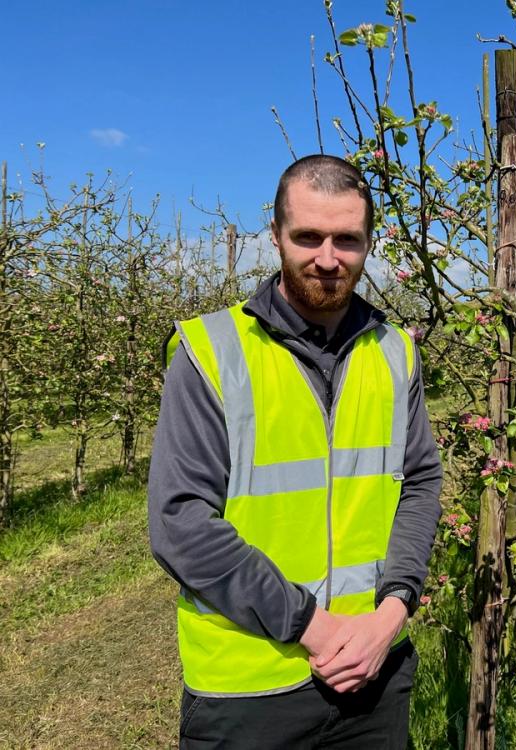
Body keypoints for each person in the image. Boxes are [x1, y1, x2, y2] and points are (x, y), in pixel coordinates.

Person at [148, 154, 442, 749]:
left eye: (348, 240)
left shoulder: (396, 352)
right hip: (250, 688)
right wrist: (312, 625)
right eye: (308, 236)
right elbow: (180, 521)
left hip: (374, 676)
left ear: (368, 243)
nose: (328, 258)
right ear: (276, 234)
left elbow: (419, 482)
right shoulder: (211, 352)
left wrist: (392, 616)